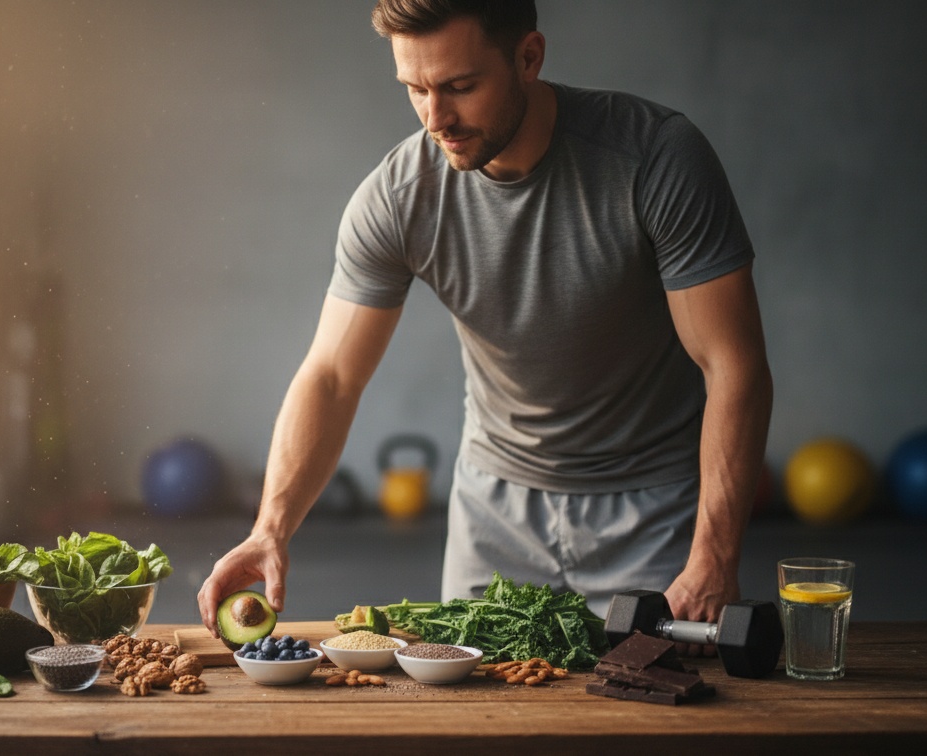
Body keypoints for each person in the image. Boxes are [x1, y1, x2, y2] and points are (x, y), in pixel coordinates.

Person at [198, 0, 771, 650]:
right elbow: (331, 377)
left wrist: (714, 557)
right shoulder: (398, 197)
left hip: (652, 507)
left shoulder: (656, 159)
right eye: (415, 89)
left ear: (529, 58)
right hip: (494, 511)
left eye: (459, 87)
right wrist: (269, 528)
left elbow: (734, 366)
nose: (435, 118)